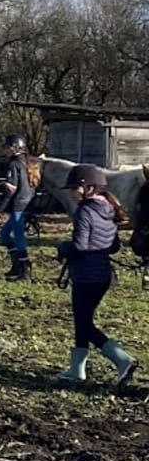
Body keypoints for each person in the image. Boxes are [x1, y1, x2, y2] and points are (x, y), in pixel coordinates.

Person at [56, 163, 138, 386]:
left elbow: (80, 246)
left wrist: (63, 248)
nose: (72, 193)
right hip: (102, 275)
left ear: (88, 188)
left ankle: (123, 360)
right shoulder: (108, 209)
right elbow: (114, 246)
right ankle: (77, 369)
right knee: (82, 320)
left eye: (75, 188)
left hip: (85, 275)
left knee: (84, 324)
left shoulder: (84, 210)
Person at [0, 132, 35, 280]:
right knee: (5, 234)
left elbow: (10, 190)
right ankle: (17, 265)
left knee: (18, 237)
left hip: (19, 206)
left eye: (7, 147)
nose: (5, 150)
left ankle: (24, 270)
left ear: (14, 148)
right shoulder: (28, 163)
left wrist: (1, 208)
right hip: (27, 204)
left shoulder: (14, 165)